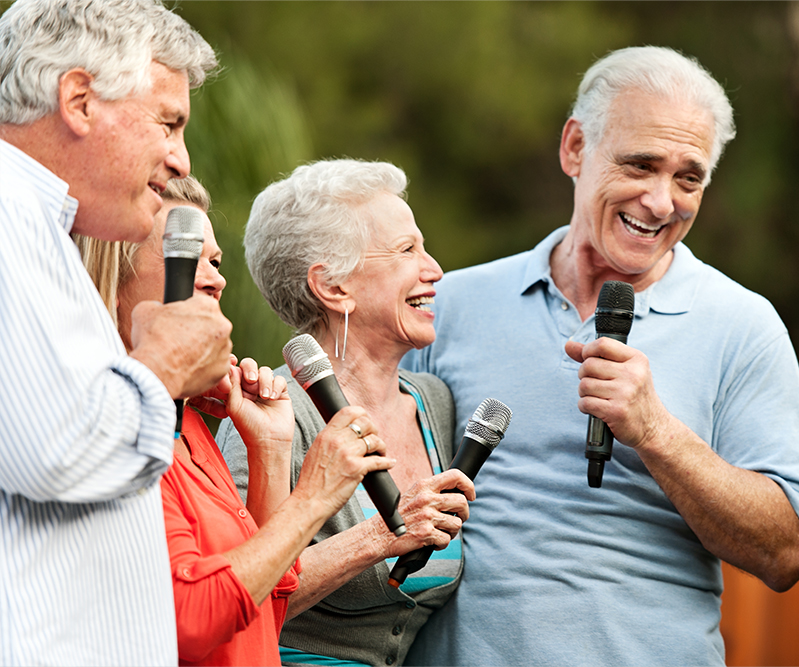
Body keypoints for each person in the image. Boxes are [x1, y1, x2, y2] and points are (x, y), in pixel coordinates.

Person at [401, 46, 799, 666]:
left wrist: (656, 432)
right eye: (641, 165)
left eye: (689, 178)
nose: (661, 202)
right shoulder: (450, 304)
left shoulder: (744, 326)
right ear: (575, 148)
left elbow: (788, 554)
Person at [77, 175, 400, 666]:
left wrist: (269, 448)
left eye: (215, 261)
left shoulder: (189, 425)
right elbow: (188, 619)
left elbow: (262, 613)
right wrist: (313, 497)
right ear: (111, 276)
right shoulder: (107, 418)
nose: (216, 278)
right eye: (184, 257)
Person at [0, 1, 231, 664]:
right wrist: (162, 365)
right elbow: (57, 448)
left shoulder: (38, 224)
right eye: (168, 122)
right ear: (78, 99)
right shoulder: (9, 215)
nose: (180, 159)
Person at [218, 158, 474, 667]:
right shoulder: (268, 416)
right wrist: (381, 535)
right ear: (334, 287)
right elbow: (233, 599)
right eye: (408, 251)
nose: (435, 270)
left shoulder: (434, 402)